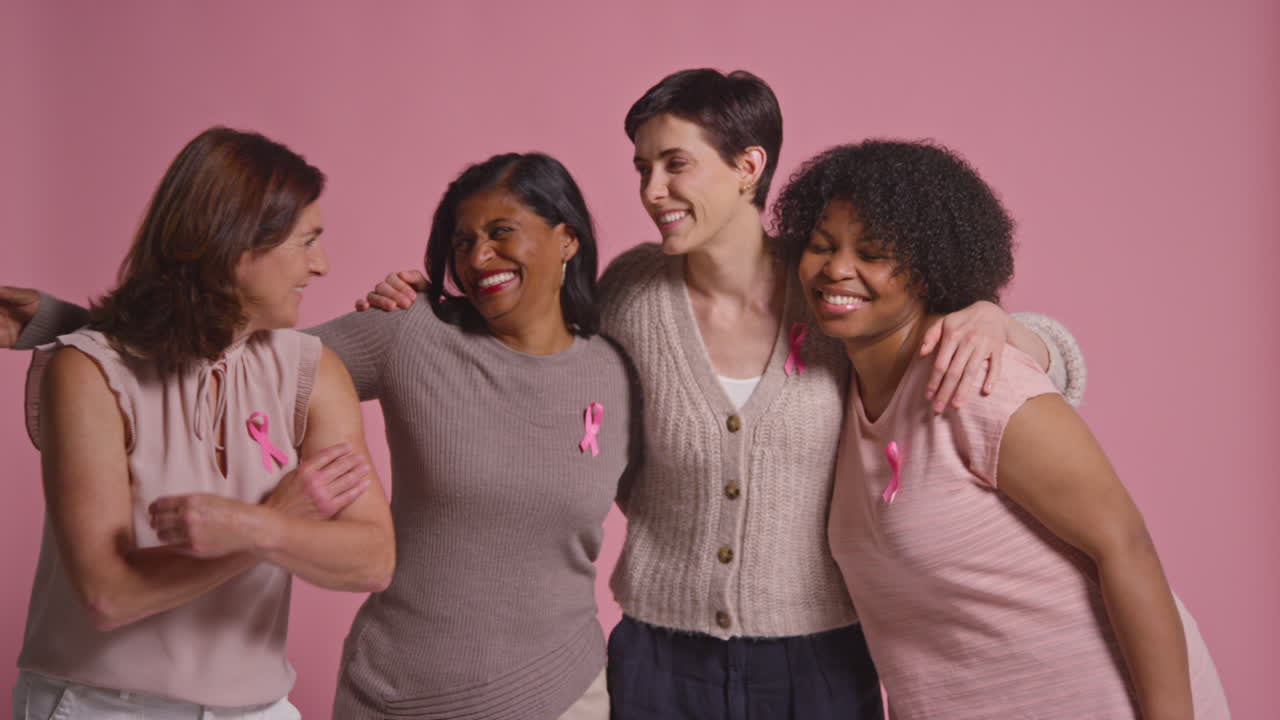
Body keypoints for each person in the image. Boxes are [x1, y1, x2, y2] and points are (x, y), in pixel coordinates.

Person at [358, 68, 1085, 720]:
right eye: (642, 167)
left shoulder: (833, 285)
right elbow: (531, 353)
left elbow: (1048, 360)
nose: (651, 192)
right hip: (659, 655)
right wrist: (433, 308)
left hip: (822, 657)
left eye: (676, 165)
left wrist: (998, 321)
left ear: (748, 166)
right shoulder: (630, 293)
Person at [2, 151, 632, 720]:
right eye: (462, 241)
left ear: (567, 238)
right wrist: (71, 329)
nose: (476, 258)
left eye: (500, 234)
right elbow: (218, 354)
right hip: (404, 692)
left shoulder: (617, 368)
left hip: (563, 692)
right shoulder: (410, 333)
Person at [779, 139, 1230, 718]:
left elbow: (1126, 548)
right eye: (821, 246)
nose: (838, 268)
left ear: (928, 270)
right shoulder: (837, 390)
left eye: (872, 253)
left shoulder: (978, 382)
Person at [7, 127, 395, 719]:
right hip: (100, 707)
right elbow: (108, 595)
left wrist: (259, 530)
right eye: (306, 241)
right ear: (236, 246)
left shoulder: (313, 373)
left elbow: (373, 557)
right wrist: (270, 526)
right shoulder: (85, 372)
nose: (321, 265)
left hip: (258, 709)